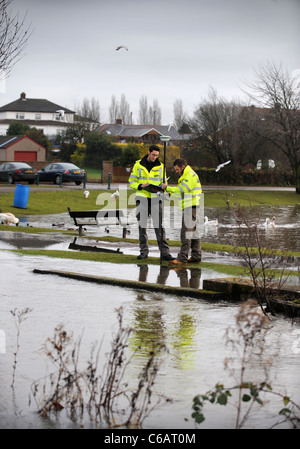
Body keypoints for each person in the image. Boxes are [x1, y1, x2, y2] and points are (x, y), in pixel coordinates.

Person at [129, 145, 174, 261]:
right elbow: (131, 182)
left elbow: (164, 183)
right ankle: (143, 252)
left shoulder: (161, 166)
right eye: (153, 155)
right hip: (142, 198)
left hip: (155, 198)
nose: (155, 157)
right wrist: (141, 186)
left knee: (159, 227)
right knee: (142, 227)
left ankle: (165, 253)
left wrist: (163, 188)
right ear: (148, 152)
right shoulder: (138, 165)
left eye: (157, 156)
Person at [161, 158, 202, 265]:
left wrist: (167, 188)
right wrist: (169, 193)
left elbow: (182, 190)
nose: (176, 171)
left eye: (177, 169)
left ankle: (182, 258)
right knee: (194, 233)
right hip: (192, 206)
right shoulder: (187, 175)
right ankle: (196, 256)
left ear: (182, 167)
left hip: (191, 207)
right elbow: (181, 191)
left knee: (185, 233)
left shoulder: (189, 175)